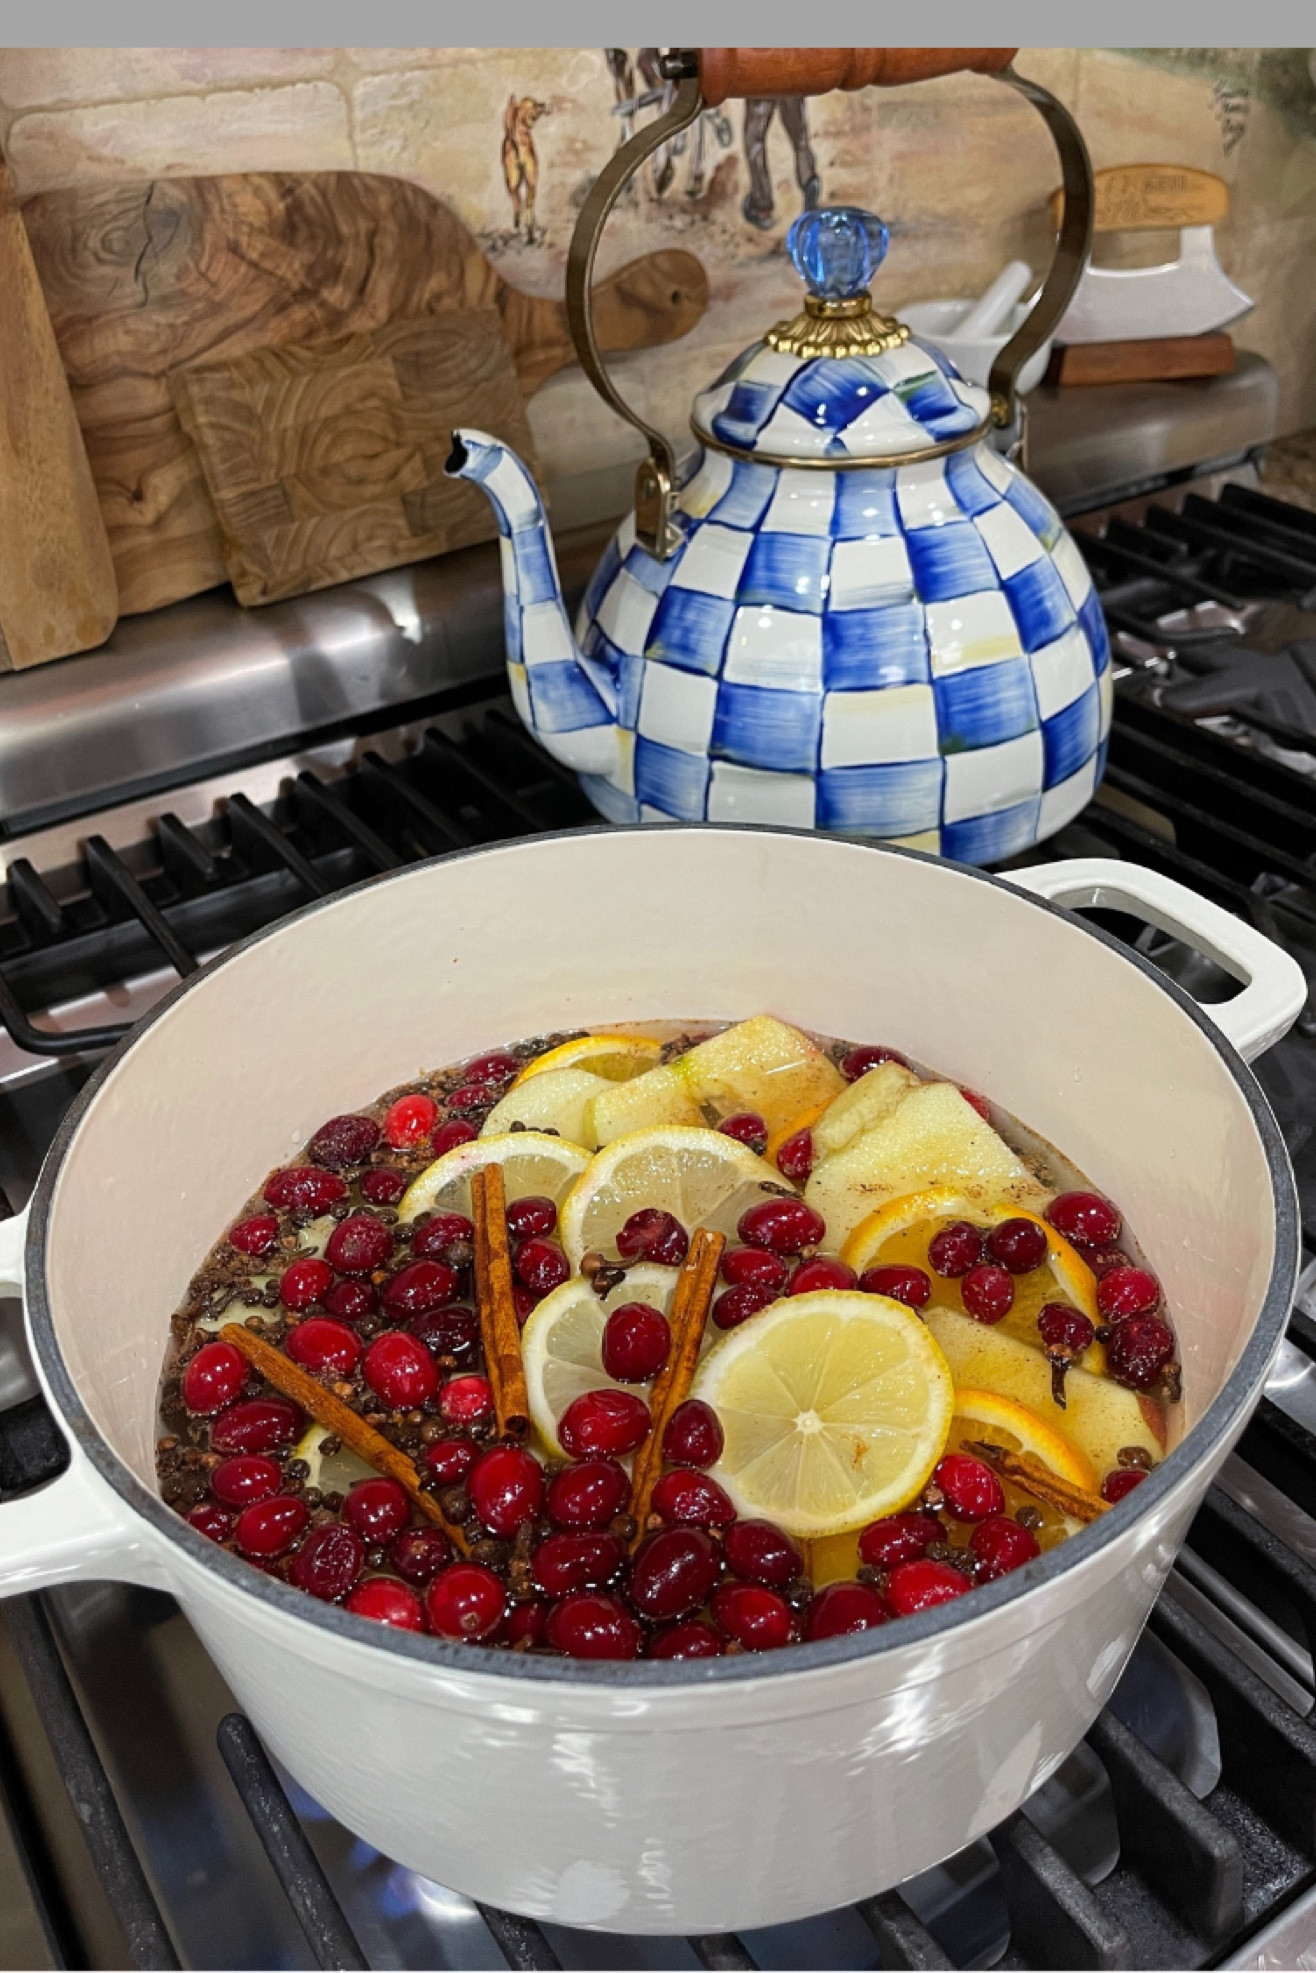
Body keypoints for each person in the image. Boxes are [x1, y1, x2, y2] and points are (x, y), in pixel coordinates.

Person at [741, 96, 820, 231]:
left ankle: (762, 206)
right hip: (792, 80)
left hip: (760, 82)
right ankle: (809, 180)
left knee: (755, 141)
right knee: (799, 137)